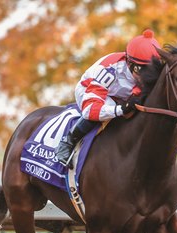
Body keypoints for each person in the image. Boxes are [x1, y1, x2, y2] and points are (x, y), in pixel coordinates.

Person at [55, 29, 161, 167]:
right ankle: (68, 142)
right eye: (141, 70)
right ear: (129, 63)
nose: (147, 76)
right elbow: (90, 110)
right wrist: (120, 109)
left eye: (151, 69)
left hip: (120, 96)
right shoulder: (109, 70)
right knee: (110, 108)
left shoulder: (144, 70)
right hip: (90, 91)